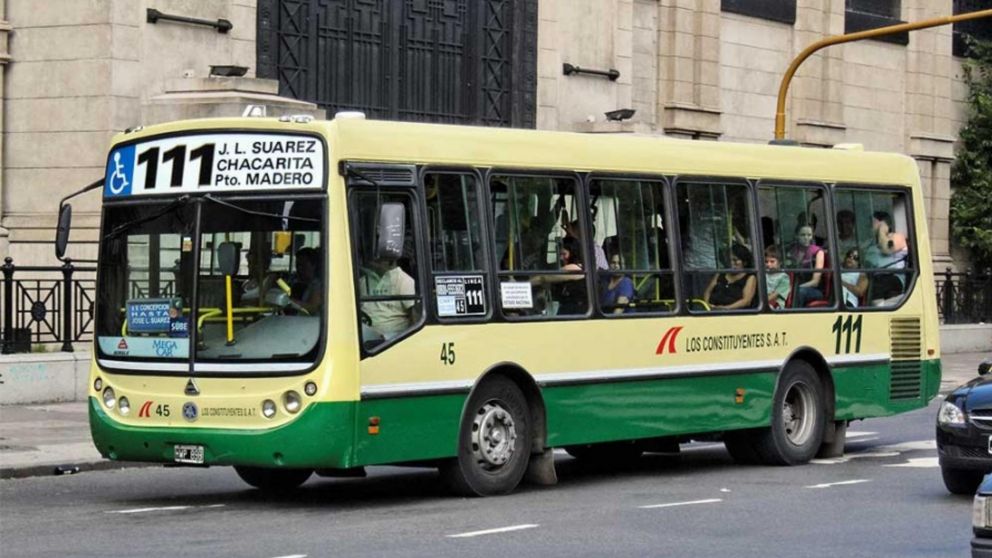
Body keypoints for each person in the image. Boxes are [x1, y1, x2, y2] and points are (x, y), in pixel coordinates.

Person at [359, 254, 417, 339]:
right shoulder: (363, 281)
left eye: (378, 259)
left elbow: (415, 316)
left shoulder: (404, 281)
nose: (373, 261)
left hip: (391, 340)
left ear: (390, 261)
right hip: (362, 334)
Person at [532, 236, 585, 314]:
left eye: (564, 254)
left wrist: (524, 284)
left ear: (573, 253)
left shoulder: (575, 268)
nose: (561, 258)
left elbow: (544, 278)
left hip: (575, 311)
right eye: (559, 254)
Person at [869, 210, 909, 305]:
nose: (870, 227)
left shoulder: (898, 237)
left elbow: (887, 250)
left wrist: (882, 230)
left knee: (879, 285)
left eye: (873, 223)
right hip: (875, 275)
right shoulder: (872, 244)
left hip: (893, 277)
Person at [703, 244, 756, 310]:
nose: (731, 263)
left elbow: (746, 301)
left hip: (734, 314)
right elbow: (708, 291)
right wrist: (708, 305)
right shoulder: (720, 273)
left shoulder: (750, 277)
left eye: (735, 260)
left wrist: (725, 309)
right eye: (729, 259)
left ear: (744, 262)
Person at [788, 224, 825, 307]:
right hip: (792, 287)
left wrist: (794, 289)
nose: (806, 238)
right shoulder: (792, 251)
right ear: (796, 236)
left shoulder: (818, 252)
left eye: (809, 235)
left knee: (799, 292)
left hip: (813, 289)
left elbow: (815, 282)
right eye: (802, 235)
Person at [293, 247, 322, 314]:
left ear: (313, 265)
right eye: (297, 265)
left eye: (303, 265)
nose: (299, 269)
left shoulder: (318, 285)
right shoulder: (296, 281)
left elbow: (313, 307)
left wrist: (290, 302)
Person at [764, 245, 790, 309]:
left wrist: (760, 302)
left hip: (776, 305)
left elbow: (774, 295)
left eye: (772, 261)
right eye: (766, 261)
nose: (768, 264)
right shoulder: (764, 274)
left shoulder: (784, 277)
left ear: (780, 262)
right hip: (764, 302)